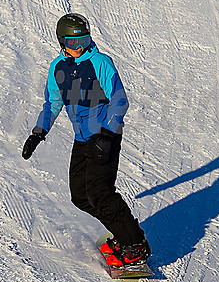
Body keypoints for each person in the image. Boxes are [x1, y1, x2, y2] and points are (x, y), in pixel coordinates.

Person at [21, 13, 150, 267]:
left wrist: (107, 134)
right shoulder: (58, 68)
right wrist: (39, 132)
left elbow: (120, 100)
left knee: (101, 193)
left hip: (106, 135)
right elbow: (52, 103)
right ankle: (122, 232)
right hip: (82, 138)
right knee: (81, 197)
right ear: (61, 42)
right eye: (72, 42)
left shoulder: (100, 62)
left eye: (84, 40)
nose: (79, 47)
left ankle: (135, 243)